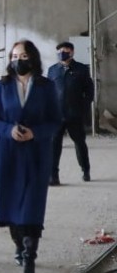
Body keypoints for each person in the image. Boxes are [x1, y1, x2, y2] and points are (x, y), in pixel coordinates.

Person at [0, 40, 61, 273]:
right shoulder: (1, 86)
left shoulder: (46, 86)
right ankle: (18, 245)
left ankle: (30, 257)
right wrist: (9, 130)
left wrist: (35, 133)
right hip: (9, 155)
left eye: (24, 55)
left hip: (37, 155)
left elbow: (55, 120)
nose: (19, 60)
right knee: (11, 205)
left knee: (32, 206)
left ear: (33, 58)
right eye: (15, 56)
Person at [47, 41, 94, 185]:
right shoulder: (52, 70)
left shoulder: (81, 69)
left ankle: (85, 170)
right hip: (57, 115)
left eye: (65, 51)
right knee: (54, 146)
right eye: (60, 51)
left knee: (80, 143)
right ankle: (53, 176)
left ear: (72, 52)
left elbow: (89, 91)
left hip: (75, 114)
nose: (62, 53)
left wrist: (83, 108)